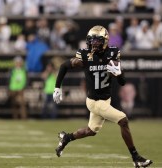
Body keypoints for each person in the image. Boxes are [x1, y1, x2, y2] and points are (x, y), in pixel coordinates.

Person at [52, 25, 152, 167]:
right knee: (123, 121)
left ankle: (66, 137)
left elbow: (122, 82)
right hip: (94, 101)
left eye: (97, 41)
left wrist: (119, 73)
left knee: (91, 131)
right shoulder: (85, 55)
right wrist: (57, 87)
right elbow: (64, 65)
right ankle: (136, 158)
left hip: (105, 99)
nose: (94, 43)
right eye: (91, 40)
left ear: (105, 41)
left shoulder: (112, 53)